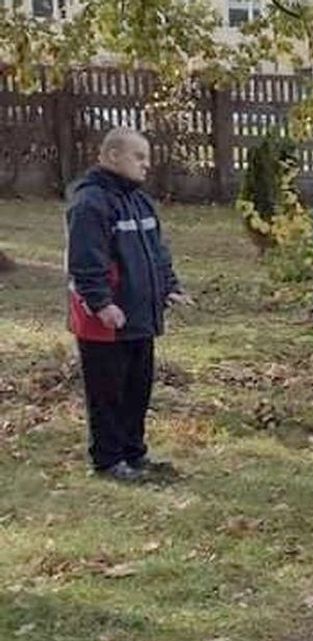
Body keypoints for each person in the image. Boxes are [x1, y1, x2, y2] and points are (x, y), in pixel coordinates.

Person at [67, 127, 191, 483]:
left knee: (138, 389)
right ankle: (108, 461)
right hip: (104, 322)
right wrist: (101, 303)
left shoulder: (140, 201)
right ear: (112, 156)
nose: (146, 165)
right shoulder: (90, 202)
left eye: (147, 158)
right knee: (108, 393)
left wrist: (169, 287)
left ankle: (134, 455)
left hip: (140, 316)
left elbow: (157, 252)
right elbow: (86, 260)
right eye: (139, 157)